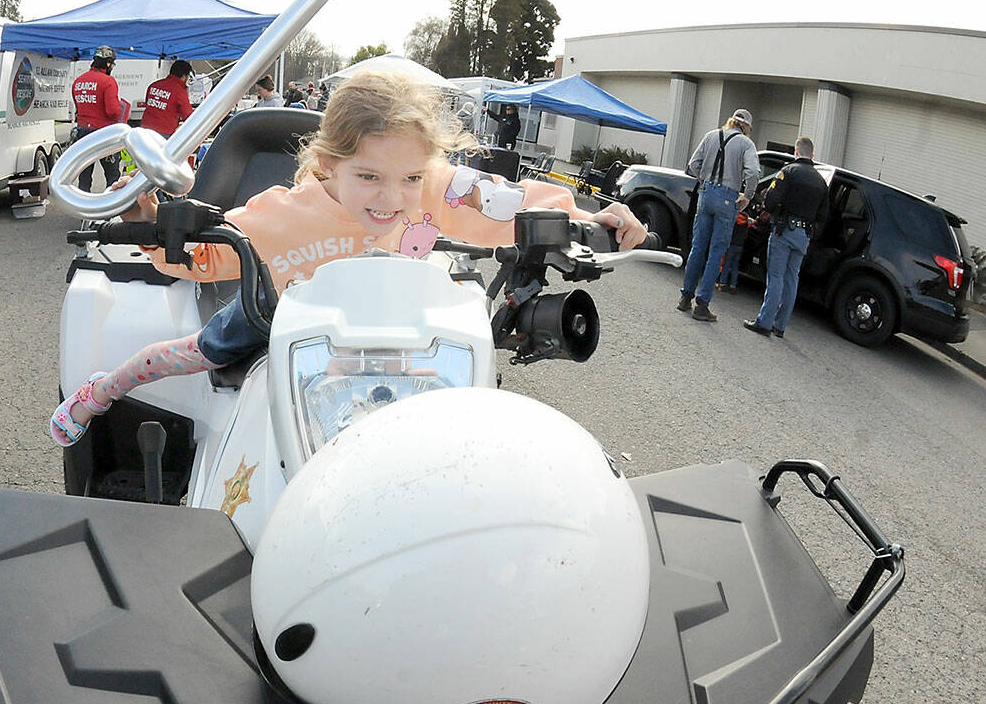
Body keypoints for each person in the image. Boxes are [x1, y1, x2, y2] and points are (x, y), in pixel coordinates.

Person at [49, 70, 648, 446]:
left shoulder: (433, 187)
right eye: (369, 176)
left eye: (411, 176)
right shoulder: (282, 212)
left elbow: (507, 205)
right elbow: (208, 255)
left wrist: (586, 216)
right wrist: (156, 229)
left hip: (391, 326)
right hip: (278, 313)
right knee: (191, 352)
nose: (393, 198)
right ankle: (103, 389)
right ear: (326, 163)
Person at [676, 108, 760, 321]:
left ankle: (685, 297)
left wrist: (704, 181)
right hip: (727, 197)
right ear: (746, 127)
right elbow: (753, 173)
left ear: (731, 121)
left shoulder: (711, 136)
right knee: (716, 252)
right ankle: (702, 305)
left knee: (698, 247)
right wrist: (747, 196)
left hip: (706, 194)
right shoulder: (746, 144)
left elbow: (693, 164)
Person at [744, 137, 829, 338]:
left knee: (775, 277)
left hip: (784, 230)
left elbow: (771, 199)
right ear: (813, 155)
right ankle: (780, 326)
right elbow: (823, 215)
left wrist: (771, 212)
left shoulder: (788, 172)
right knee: (792, 279)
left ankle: (764, 322)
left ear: (796, 153)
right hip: (804, 235)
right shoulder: (821, 181)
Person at [70, 45, 122, 192]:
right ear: (108, 63)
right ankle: (112, 211)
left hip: (82, 134)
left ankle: (84, 210)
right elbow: (113, 112)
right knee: (112, 175)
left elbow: (78, 108)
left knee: (85, 175)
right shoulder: (108, 82)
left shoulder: (78, 81)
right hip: (104, 135)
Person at [141, 60, 195, 139]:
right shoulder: (179, 91)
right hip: (163, 133)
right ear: (184, 76)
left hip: (145, 130)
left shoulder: (154, 85)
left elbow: (148, 103)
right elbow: (188, 116)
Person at [716, 209, 750, 292]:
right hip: (740, 246)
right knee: (735, 266)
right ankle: (733, 285)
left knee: (726, 264)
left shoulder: (734, 219)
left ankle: (722, 283)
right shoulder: (746, 222)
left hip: (732, 244)